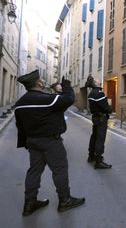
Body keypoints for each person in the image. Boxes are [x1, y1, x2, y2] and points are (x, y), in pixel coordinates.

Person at [14, 70, 85, 216]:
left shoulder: (19, 104)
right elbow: (69, 99)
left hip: (32, 141)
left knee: (34, 171)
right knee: (60, 169)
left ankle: (29, 203)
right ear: (39, 83)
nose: (43, 81)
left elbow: (20, 126)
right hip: (50, 141)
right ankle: (65, 200)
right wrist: (66, 85)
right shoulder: (46, 99)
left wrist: (26, 143)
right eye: (41, 79)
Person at [86, 75, 112, 169]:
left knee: (94, 137)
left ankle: (91, 156)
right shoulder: (99, 94)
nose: (99, 81)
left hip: (95, 118)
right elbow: (106, 107)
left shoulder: (91, 93)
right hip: (101, 119)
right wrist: (110, 109)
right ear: (95, 84)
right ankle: (98, 161)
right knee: (100, 139)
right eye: (97, 81)